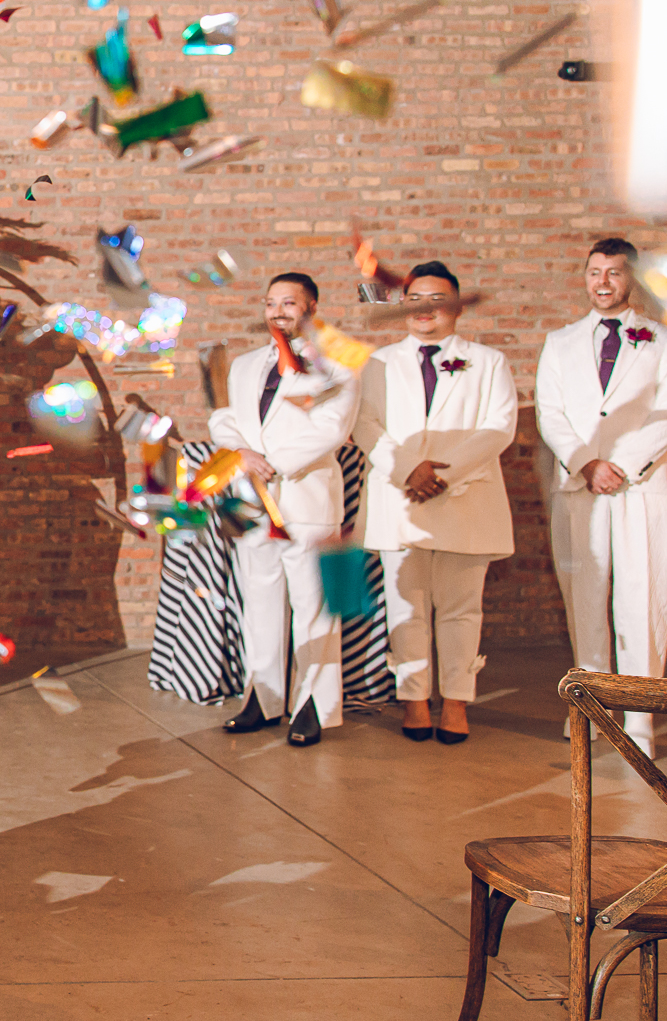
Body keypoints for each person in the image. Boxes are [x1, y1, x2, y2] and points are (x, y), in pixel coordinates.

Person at [351, 262, 516, 744]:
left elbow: (499, 426)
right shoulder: (378, 363)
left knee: (462, 609)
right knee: (406, 607)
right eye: (415, 299)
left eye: (437, 299)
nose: (425, 309)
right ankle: (415, 700)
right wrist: (408, 470)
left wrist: (443, 474)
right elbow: (364, 424)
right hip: (400, 497)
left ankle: (457, 701)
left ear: (457, 306)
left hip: (464, 498)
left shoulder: (488, 361)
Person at [209, 272, 360, 747]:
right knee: (259, 603)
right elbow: (224, 418)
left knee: (314, 608)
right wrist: (241, 454)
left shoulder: (336, 365)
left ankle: (314, 704)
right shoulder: (245, 365)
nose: (278, 312)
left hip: (306, 499)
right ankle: (263, 697)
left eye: (289, 303)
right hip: (252, 503)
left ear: (311, 308)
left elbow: (332, 428)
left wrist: (271, 463)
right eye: (271, 303)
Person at [536, 237, 667, 756]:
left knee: (641, 597)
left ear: (630, 277)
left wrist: (623, 465)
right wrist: (587, 463)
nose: (603, 282)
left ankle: (640, 720)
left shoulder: (659, 339)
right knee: (584, 597)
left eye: (614, 272)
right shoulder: (560, 341)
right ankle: (590, 710)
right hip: (580, 485)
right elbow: (549, 412)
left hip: (640, 485)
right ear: (585, 277)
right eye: (595, 272)